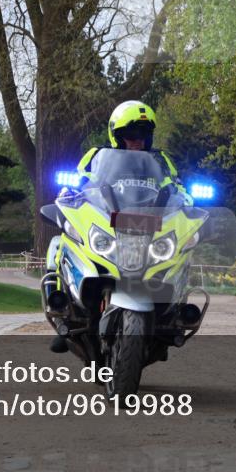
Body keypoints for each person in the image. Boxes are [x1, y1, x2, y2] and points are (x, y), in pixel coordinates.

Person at [51, 100, 185, 354]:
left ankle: (173, 316)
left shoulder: (161, 161)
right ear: (117, 135)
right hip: (109, 222)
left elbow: (176, 189)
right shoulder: (96, 156)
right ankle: (60, 312)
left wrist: (185, 200)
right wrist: (69, 192)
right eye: (131, 134)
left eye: (144, 134)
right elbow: (81, 183)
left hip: (148, 227)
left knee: (181, 253)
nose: (138, 140)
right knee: (57, 244)